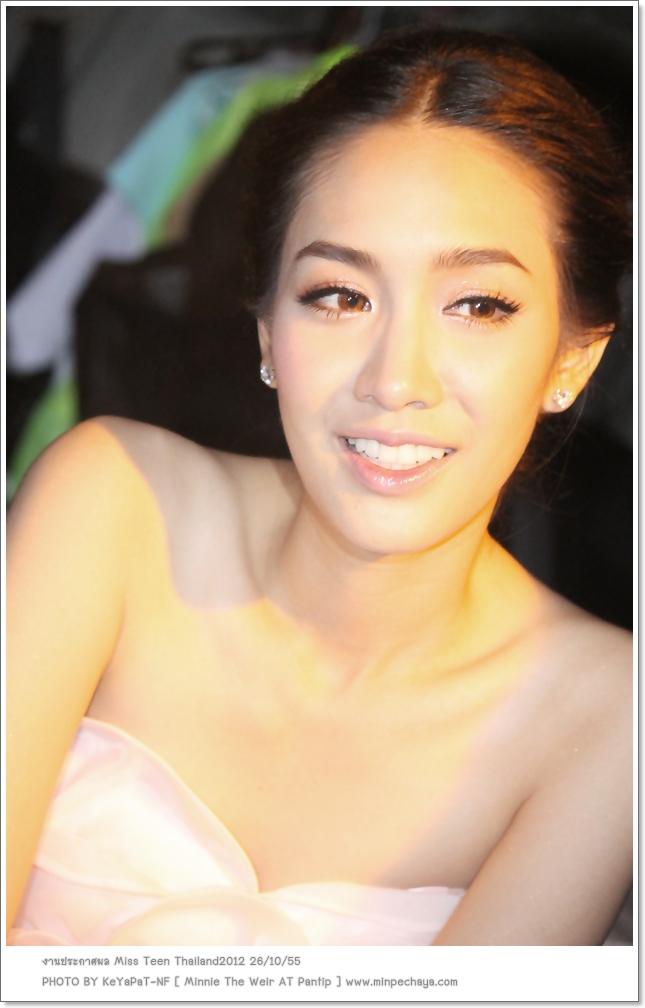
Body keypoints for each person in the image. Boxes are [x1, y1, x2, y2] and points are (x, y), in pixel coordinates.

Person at [7, 28, 632, 946]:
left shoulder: (607, 716)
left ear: (571, 358)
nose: (395, 380)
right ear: (267, 329)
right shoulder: (111, 507)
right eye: (340, 295)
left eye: (476, 305)